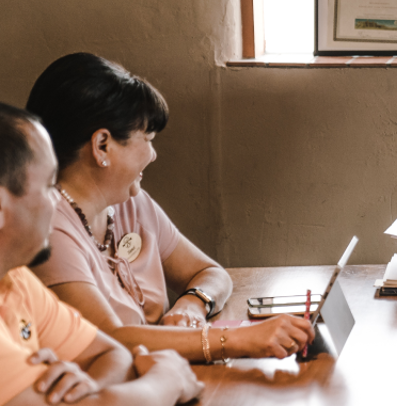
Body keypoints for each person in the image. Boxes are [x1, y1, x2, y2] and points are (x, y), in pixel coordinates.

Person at [0, 100, 203, 405]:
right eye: (50, 186)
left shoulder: (6, 271)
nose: (57, 202)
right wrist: (167, 380)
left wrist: (85, 390)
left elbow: (111, 353)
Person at [25, 53, 314, 363]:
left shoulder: (130, 202)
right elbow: (109, 340)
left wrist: (192, 303)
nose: (153, 155)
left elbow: (210, 273)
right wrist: (236, 339)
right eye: (147, 138)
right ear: (102, 146)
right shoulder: (48, 229)